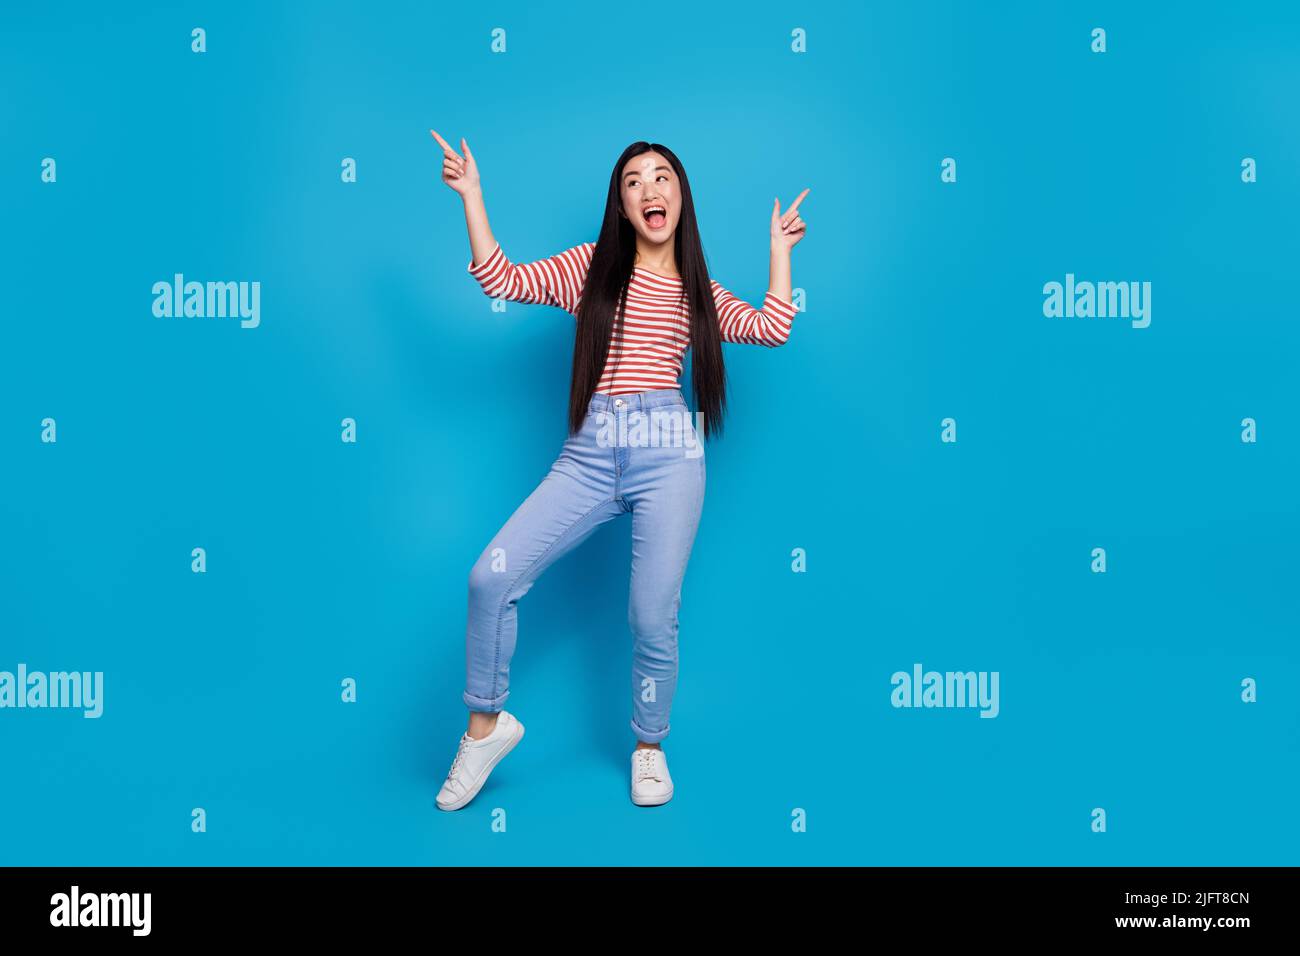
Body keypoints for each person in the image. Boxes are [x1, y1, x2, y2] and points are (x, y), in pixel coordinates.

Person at [430, 130, 808, 810]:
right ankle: (484, 728)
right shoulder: (590, 270)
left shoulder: (697, 292)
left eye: (661, 176)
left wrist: (780, 253)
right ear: (622, 204)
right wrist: (472, 196)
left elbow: (771, 326)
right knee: (490, 576)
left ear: (680, 196)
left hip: (669, 452)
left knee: (651, 615)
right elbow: (501, 277)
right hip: (591, 453)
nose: (648, 188)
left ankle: (649, 747)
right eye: (633, 181)